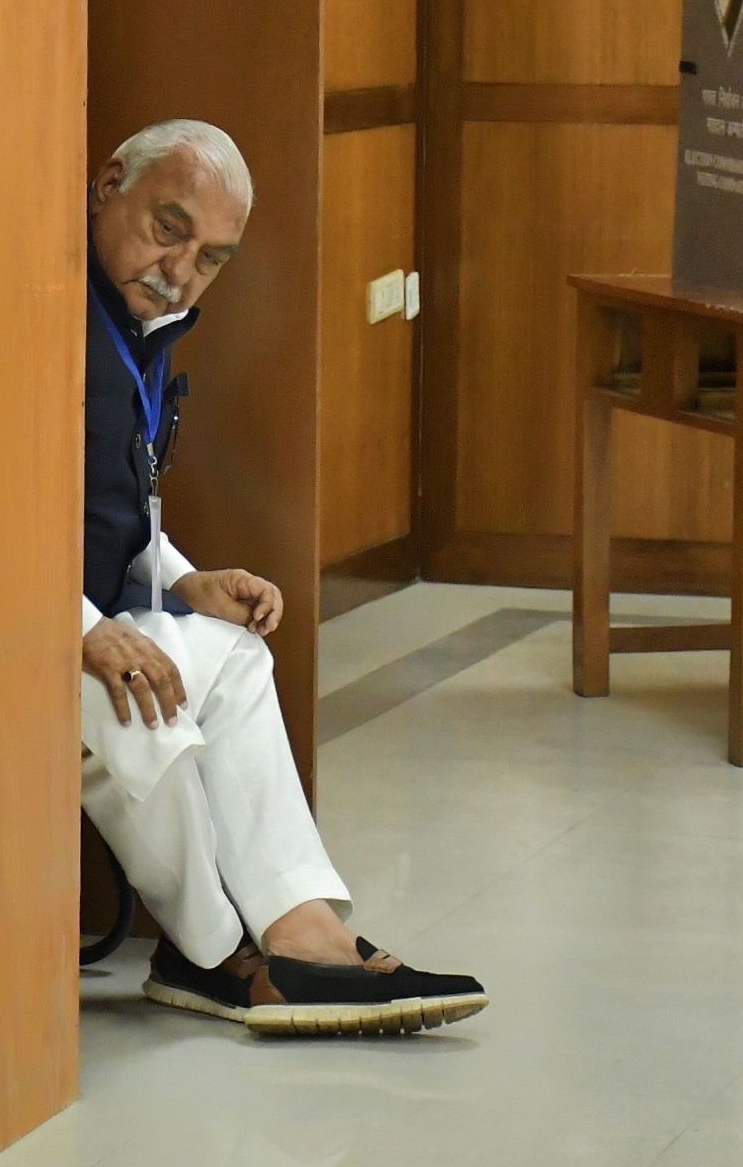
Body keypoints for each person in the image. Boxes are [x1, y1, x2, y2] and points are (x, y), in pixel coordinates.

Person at [81, 119, 486, 1037]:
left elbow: (104, 501)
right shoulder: (32, 303)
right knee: (131, 694)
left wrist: (183, 582)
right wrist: (76, 625)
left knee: (229, 653)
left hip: (69, 607)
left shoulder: (140, 326)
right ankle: (219, 955)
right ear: (110, 184)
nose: (179, 269)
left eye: (211, 257)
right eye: (167, 228)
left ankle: (297, 929)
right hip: (14, 619)